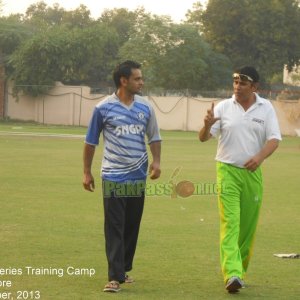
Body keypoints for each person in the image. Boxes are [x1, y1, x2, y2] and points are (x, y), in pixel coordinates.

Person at [199, 66, 281, 293]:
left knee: (247, 228)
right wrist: (206, 125)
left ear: (254, 87)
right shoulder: (224, 107)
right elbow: (203, 138)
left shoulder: (266, 108)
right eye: (235, 81)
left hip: (253, 175)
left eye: (242, 83)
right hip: (227, 172)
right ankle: (232, 273)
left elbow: (274, 139)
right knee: (231, 223)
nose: (237, 86)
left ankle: (239, 273)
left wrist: (259, 157)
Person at [82, 60, 161, 293]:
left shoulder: (145, 107)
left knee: (131, 225)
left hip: (137, 177)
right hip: (113, 176)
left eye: (141, 78)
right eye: (137, 78)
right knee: (114, 226)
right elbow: (90, 142)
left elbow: (154, 137)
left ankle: (123, 268)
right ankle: (114, 277)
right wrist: (86, 172)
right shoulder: (103, 108)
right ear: (123, 80)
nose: (141, 82)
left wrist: (156, 161)